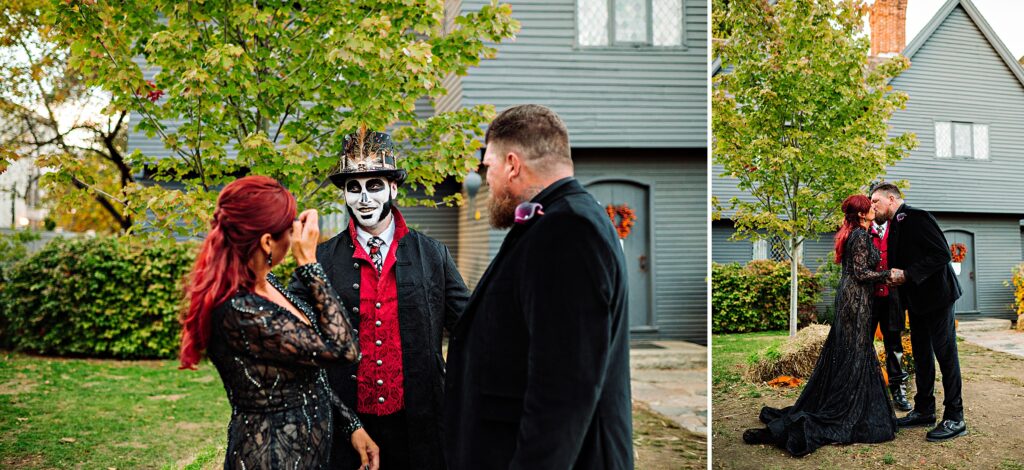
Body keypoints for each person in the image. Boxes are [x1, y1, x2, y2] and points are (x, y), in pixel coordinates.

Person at [443, 104, 634, 469]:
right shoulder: (555, 221)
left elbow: (563, 391)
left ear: (513, 164)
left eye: (489, 167)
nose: (488, 180)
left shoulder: (568, 232)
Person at [288, 130, 469, 470]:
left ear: (393, 188)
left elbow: (470, 328)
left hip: (420, 423)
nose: (364, 197)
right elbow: (291, 329)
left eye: (374, 185)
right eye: (353, 188)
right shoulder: (321, 259)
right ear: (344, 194)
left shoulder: (433, 255)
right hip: (348, 424)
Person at [179, 175, 378, 469]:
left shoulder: (268, 285)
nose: (296, 235)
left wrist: (351, 425)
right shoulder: (240, 310)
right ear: (268, 242)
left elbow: (308, 375)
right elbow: (344, 349)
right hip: (270, 458)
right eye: (289, 228)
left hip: (308, 456)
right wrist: (310, 264)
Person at [742, 194, 898, 456]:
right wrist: (888, 275)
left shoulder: (856, 232)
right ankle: (843, 408)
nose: (873, 208)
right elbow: (860, 273)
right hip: (855, 301)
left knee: (852, 353)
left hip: (853, 298)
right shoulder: (859, 235)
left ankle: (846, 401)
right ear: (860, 214)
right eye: (868, 206)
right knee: (855, 354)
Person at [870, 182, 966, 442]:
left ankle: (955, 417)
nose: (872, 207)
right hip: (917, 301)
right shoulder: (894, 225)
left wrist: (907, 274)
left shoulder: (918, 217)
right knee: (923, 355)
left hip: (939, 298)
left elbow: (941, 253)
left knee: (945, 355)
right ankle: (924, 409)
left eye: (876, 202)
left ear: (891, 199)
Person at [870, 219, 912, 412]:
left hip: (892, 299)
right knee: (863, 343)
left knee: (894, 345)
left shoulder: (897, 230)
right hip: (868, 300)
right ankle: (866, 389)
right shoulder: (863, 230)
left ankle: (898, 389)